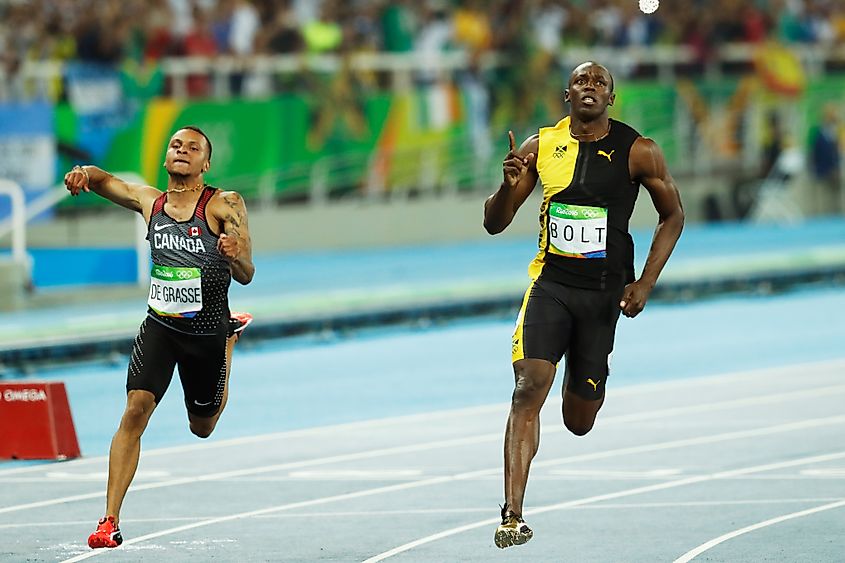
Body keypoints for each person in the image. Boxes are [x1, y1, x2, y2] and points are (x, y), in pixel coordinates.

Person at [483, 62, 684, 549]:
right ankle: (512, 515)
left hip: (602, 297)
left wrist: (645, 283)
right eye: (581, 82)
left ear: (611, 99)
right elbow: (494, 223)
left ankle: (583, 368)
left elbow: (673, 215)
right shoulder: (541, 147)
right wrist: (507, 187)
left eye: (599, 83)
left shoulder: (640, 151)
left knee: (578, 420)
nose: (589, 87)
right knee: (528, 386)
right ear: (566, 94)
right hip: (550, 285)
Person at [63, 126, 256, 549]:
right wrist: (82, 172)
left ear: (206, 164)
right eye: (175, 145)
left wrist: (234, 253)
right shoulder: (151, 202)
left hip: (207, 331)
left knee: (201, 427)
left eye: (192, 148)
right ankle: (109, 520)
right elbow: (105, 180)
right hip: (161, 325)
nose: (182, 151)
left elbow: (246, 273)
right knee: (135, 410)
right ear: (166, 158)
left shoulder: (225, 204)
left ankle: (231, 337)